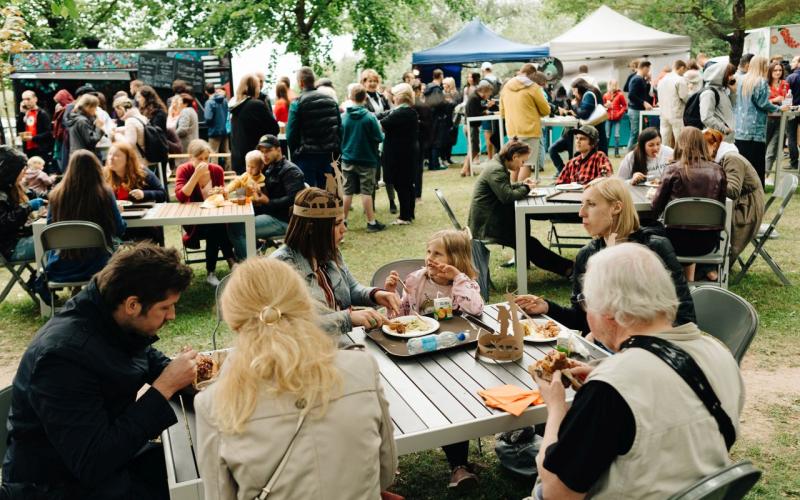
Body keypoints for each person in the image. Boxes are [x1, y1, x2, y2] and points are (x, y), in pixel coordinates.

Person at [530, 243, 743, 500]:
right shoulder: (719, 353)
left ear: (608, 312)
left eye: (586, 304)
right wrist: (604, 369)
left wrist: (555, 409)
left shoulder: (610, 387)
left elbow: (557, 494)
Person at [2, 243, 197, 499]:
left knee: (196, 464)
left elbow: (143, 355)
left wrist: (196, 385)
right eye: (165, 307)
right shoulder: (62, 359)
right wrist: (164, 388)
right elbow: (94, 462)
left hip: (100, 459)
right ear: (132, 305)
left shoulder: (107, 314)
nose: (172, 315)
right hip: (54, 484)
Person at [195, 257, 397, 500]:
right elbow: (385, 473)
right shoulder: (361, 367)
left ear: (234, 323)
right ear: (305, 306)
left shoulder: (213, 404)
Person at [515, 177, 695, 335]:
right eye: (581, 204)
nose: (581, 213)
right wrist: (547, 307)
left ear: (616, 207)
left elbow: (684, 317)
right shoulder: (587, 255)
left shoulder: (654, 249)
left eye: (591, 204)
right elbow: (581, 320)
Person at [383, 228, 483, 490]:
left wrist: (458, 278)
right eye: (428, 251)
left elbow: (474, 309)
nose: (429, 258)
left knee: (455, 401)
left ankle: (458, 466)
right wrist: (392, 297)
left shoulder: (466, 284)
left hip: (456, 357)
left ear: (456, 258)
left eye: (437, 253)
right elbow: (400, 317)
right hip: (420, 354)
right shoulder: (416, 280)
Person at [271, 187, 401, 335]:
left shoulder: (329, 250)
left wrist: (376, 295)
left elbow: (351, 288)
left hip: (341, 341)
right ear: (311, 228)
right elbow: (294, 325)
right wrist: (348, 319)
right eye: (337, 224)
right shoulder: (280, 268)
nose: (344, 229)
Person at [468, 139, 573, 277]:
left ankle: (567, 267)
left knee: (528, 237)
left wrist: (522, 184)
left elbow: (505, 188)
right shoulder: (496, 169)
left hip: (490, 219)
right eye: (522, 161)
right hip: (486, 226)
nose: (522, 165)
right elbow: (507, 196)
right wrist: (526, 187)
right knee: (528, 243)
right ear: (514, 156)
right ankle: (569, 269)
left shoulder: (497, 164)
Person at [43, 150, 126, 300]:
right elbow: (119, 229)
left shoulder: (56, 195)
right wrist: (118, 214)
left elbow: (50, 228)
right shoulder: (104, 193)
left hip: (62, 266)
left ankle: (77, 292)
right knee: (118, 246)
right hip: (99, 265)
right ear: (96, 169)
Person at [651, 127, 727, 281]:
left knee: (643, 229)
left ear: (680, 144)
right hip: (707, 242)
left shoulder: (673, 170)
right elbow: (720, 205)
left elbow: (655, 209)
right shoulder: (718, 171)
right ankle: (689, 280)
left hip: (675, 240)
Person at [227, 135, 305, 260]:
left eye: (268, 150)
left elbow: (294, 199)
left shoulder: (290, 171)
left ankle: (249, 266)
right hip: (271, 214)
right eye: (262, 152)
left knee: (237, 229)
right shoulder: (269, 168)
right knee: (233, 223)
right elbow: (245, 179)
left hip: (285, 220)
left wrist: (267, 201)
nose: (264, 155)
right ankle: (251, 259)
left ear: (279, 150)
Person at [174, 139, 236, 286]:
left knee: (215, 226)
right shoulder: (184, 170)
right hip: (193, 221)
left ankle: (212, 272)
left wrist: (223, 193)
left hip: (215, 219)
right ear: (191, 158)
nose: (204, 162)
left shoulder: (216, 170)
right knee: (216, 226)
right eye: (199, 159)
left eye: (206, 158)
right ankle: (231, 261)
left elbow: (220, 198)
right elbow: (181, 197)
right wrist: (195, 175)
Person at [703, 129, 765, 263]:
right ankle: (706, 262)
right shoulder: (720, 158)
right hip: (739, 203)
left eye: (703, 147)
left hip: (747, 207)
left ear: (714, 145)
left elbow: (733, 191)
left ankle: (712, 264)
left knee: (707, 220)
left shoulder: (731, 158)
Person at [734, 55, 786, 187]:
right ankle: (757, 194)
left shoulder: (741, 79)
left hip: (740, 128)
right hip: (755, 129)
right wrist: (780, 108)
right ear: (763, 66)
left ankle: (741, 189)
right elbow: (763, 104)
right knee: (756, 167)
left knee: (742, 165)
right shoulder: (761, 82)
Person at [286, 67, 342, 187]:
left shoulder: (297, 103)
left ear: (300, 82)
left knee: (308, 193)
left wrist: (295, 152)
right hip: (327, 154)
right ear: (313, 80)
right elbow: (339, 127)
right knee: (327, 192)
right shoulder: (331, 100)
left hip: (306, 155)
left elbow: (291, 133)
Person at [340, 84, 385, 232]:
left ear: (349, 98)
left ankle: (343, 221)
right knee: (366, 192)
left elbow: (340, 136)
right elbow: (379, 137)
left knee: (347, 191)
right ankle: (371, 222)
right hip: (367, 159)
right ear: (365, 98)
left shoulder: (343, 117)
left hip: (347, 159)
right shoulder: (369, 117)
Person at [500, 63, 551, 181]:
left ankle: (512, 191)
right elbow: (545, 110)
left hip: (512, 130)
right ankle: (522, 191)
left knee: (515, 163)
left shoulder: (506, 86)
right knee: (526, 163)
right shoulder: (533, 87)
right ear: (532, 74)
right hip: (530, 130)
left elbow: (502, 112)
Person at [380, 83, 419, 225]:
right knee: (408, 185)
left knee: (401, 185)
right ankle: (409, 213)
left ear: (400, 97)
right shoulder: (410, 112)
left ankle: (404, 216)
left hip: (399, 155)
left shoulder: (401, 113)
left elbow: (382, 125)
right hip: (407, 153)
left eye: (394, 95)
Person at [0, 146, 45, 264]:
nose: (25, 172)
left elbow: (37, 195)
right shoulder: (2, 193)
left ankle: (41, 277)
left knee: (54, 237)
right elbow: (3, 223)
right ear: (10, 171)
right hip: (9, 247)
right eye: (22, 169)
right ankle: (42, 279)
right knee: (55, 243)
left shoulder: (14, 185)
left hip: (20, 238)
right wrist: (28, 206)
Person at [230, 73, 280, 175]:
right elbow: (274, 128)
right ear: (254, 88)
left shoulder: (236, 106)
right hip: (256, 159)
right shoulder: (256, 104)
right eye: (258, 86)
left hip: (239, 159)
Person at [461, 81, 495, 176]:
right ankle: (464, 169)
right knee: (474, 149)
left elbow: (476, 110)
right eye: (489, 93)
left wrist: (486, 107)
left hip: (472, 126)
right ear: (484, 91)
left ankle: (467, 169)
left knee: (473, 148)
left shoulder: (476, 97)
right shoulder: (474, 98)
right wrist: (486, 112)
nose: (489, 95)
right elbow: (473, 115)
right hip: (470, 126)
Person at [15, 90, 53, 171]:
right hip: (28, 149)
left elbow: (48, 133)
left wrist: (33, 138)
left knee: (41, 173)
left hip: (40, 149)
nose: (25, 102)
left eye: (28, 99)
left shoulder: (42, 113)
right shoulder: (25, 113)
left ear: (35, 99)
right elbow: (19, 130)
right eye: (23, 99)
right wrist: (21, 113)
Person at [700, 62, 736, 142]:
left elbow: (730, 108)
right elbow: (706, 118)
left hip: (725, 138)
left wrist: (733, 92)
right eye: (729, 75)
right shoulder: (709, 93)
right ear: (720, 75)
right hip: (717, 139)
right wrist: (725, 129)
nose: (732, 78)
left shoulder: (721, 90)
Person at [570, 78, 608, 153]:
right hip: (597, 128)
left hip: (594, 129)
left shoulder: (588, 95)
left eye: (574, 90)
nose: (573, 93)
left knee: (597, 154)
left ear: (579, 88)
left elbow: (584, 115)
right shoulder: (591, 92)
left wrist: (574, 106)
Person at [657, 60, 689, 148]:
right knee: (680, 140)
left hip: (663, 113)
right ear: (682, 68)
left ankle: (663, 159)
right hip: (676, 113)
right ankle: (680, 159)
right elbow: (685, 97)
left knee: (664, 140)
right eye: (684, 70)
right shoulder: (680, 80)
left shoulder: (662, 80)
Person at [65, 94, 106, 161]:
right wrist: (99, 128)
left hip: (76, 155)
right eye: (95, 107)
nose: (95, 110)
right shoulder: (82, 121)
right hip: (84, 157)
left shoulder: (74, 118)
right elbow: (91, 141)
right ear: (88, 107)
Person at [765, 61, 790, 173]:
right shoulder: (765, 84)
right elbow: (761, 102)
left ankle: (765, 174)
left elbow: (787, 101)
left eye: (780, 70)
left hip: (781, 119)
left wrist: (788, 101)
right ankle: (758, 174)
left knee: (772, 150)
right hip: (767, 119)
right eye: (775, 70)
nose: (778, 72)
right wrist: (774, 100)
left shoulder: (785, 84)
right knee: (763, 147)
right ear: (770, 71)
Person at [424, 69, 448, 171]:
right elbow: (438, 104)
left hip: (429, 117)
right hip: (437, 118)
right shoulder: (437, 89)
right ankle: (435, 164)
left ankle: (432, 163)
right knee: (436, 141)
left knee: (431, 140)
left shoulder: (428, 88)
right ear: (441, 76)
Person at [111, 96, 148, 164]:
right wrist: (117, 129)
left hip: (139, 160)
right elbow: (136, 130)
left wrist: (116, 135)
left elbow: (129, 145)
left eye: (116, 111)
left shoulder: (130, 121)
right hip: (147, 156)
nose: (117, 114)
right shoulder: (142, 117)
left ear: (121, 108)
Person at [626, 60, 653, 150]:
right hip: (635, 110)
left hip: (637, 110)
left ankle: (634, 154)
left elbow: (644, 94)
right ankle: (629, 155)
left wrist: (648, 82)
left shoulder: (641, 79)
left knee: (637, 133)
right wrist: (643, 102)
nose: (649, 71)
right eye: (648, 69)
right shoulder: (636, 79)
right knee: (635, 133)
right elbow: (631, 95)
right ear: (644, 68)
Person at [204, 83, 230, 169]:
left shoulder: (209, 102)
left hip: (214, 131)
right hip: (225, 130)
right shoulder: (225, 100)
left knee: (213, 154)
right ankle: (230, 174)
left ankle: (215, 175)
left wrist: (208, 124)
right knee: (226, 153)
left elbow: (208, 117)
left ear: (206, 92)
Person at [52, 89, 75, 172]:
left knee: (65, 163)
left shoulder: (70, 108)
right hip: (61, 139)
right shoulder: (62, 109)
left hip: (66, 139)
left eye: (60, 101)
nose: (59, 104)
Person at [603, 79, 627, 157]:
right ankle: (605, 153)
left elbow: (624, 106)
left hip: (617, 119)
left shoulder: (620, 95)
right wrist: (606, 106)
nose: (613, 87)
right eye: (612, 85)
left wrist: (619, 114)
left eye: (615, 85)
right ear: (609, 85)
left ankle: (616, 153)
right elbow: (602, 106)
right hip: (608, 118)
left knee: (617, 135)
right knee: (607, 136)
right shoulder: (605, 95)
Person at [785, 55, 800, 170]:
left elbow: (785, 94)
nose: (791, 63)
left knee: (792, 136)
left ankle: (794, 162)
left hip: (793, 110)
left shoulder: (791, 77)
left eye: (794, 61)